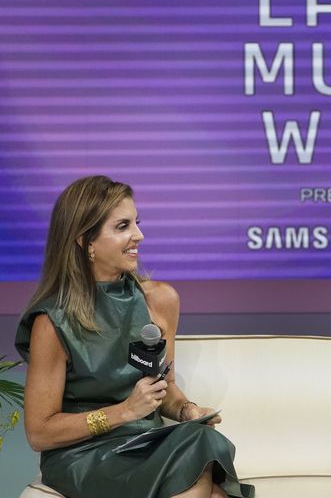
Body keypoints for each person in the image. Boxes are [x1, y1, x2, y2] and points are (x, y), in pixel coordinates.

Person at [15, 175, 254, 498]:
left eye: (136, 223)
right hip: (85, 456)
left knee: (203, 440)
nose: (138, 236)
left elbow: (164, 390)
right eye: (122, 226)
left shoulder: (160, 300)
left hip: (147, 445)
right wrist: (125, 411)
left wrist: (187, 410)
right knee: (209, 479)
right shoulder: (53, 321)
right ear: (85, 241)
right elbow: (40, 433)